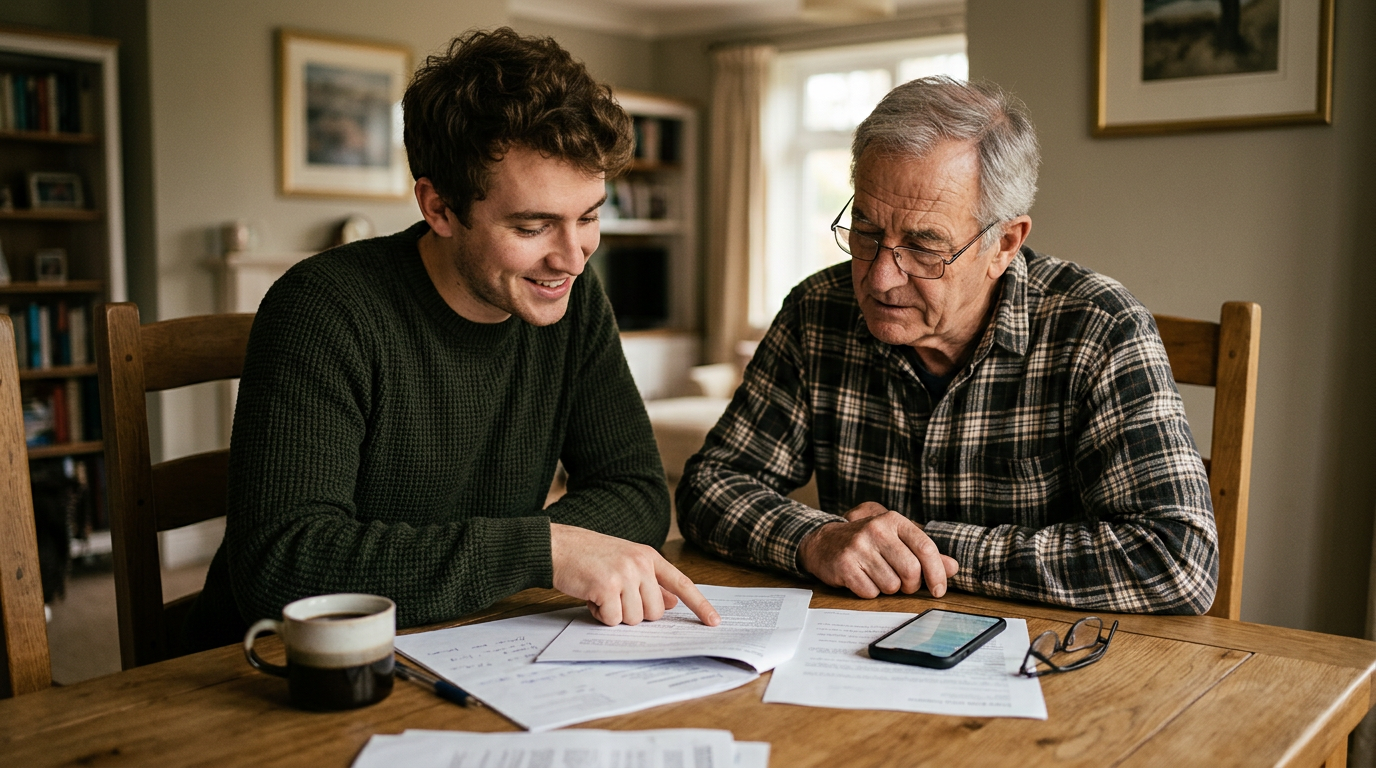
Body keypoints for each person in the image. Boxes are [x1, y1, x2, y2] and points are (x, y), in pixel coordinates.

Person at [184, 28, 719, 653]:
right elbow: (282, 564)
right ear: (437, 207)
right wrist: (540, 550)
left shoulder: (571, 300)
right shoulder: (324, 310)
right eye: (532, 225)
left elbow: (638, 494)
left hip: (474, 640)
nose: (572, 258)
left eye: (590, 215)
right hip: (284, 670)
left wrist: (521, 560)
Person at [677, 76, 1218, 615]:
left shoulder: (1099, 328)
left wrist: (923, 547)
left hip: (1053, 659)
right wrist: (818, 540)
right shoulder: (817, 310)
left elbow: (1176, 558)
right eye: (865, 231)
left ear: (1003, 244)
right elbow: (710, 486)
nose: (881, 277)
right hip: (854, 650)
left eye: (923, 244)